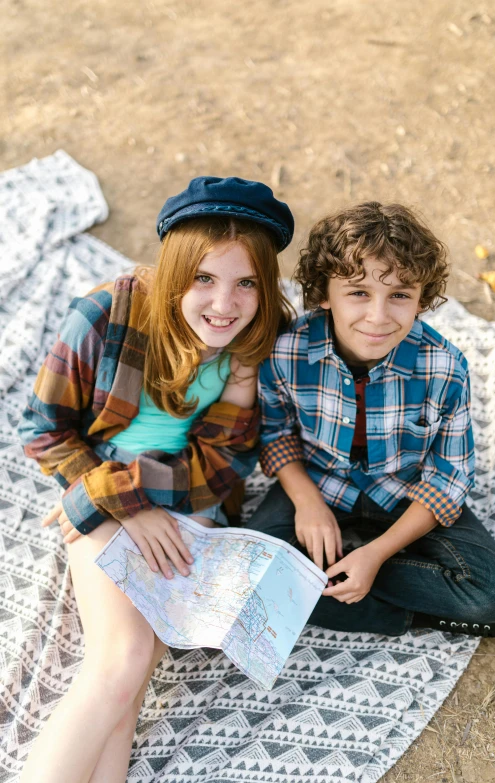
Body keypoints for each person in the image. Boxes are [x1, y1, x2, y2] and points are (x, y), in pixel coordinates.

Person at [17, 176, 294, 783]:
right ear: (174, 271)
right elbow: (43, 429)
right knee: (119, 663)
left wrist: (243, 382)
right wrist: (122, 500)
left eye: (246, 283)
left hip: (186, 498)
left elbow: (224, 465)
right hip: (100, 484)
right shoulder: (108, 312)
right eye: (204, 279)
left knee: (134, 674)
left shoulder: (253, 339)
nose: (225, 303)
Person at [248, 201, 495, 646]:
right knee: (251, 574)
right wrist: (308, 504)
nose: (378, 316)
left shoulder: (444, 368)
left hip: (405, 493)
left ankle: (346, 571)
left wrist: (376, 554)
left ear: (421, 299)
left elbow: (447, 479)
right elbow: (276, 435)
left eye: (399, 295)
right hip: (320, 484)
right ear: (323, 294)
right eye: (358, 292)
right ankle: (411, 614)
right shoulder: (287, 352)